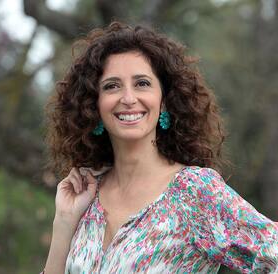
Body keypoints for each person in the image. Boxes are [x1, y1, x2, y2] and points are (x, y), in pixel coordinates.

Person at [41, 22, 278, 274]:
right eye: (112, 86)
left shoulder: (194, 192)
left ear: (164, 102)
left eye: (142, 83)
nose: (129, 98)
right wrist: (64, 221)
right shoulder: (85, 196)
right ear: (94, 106)